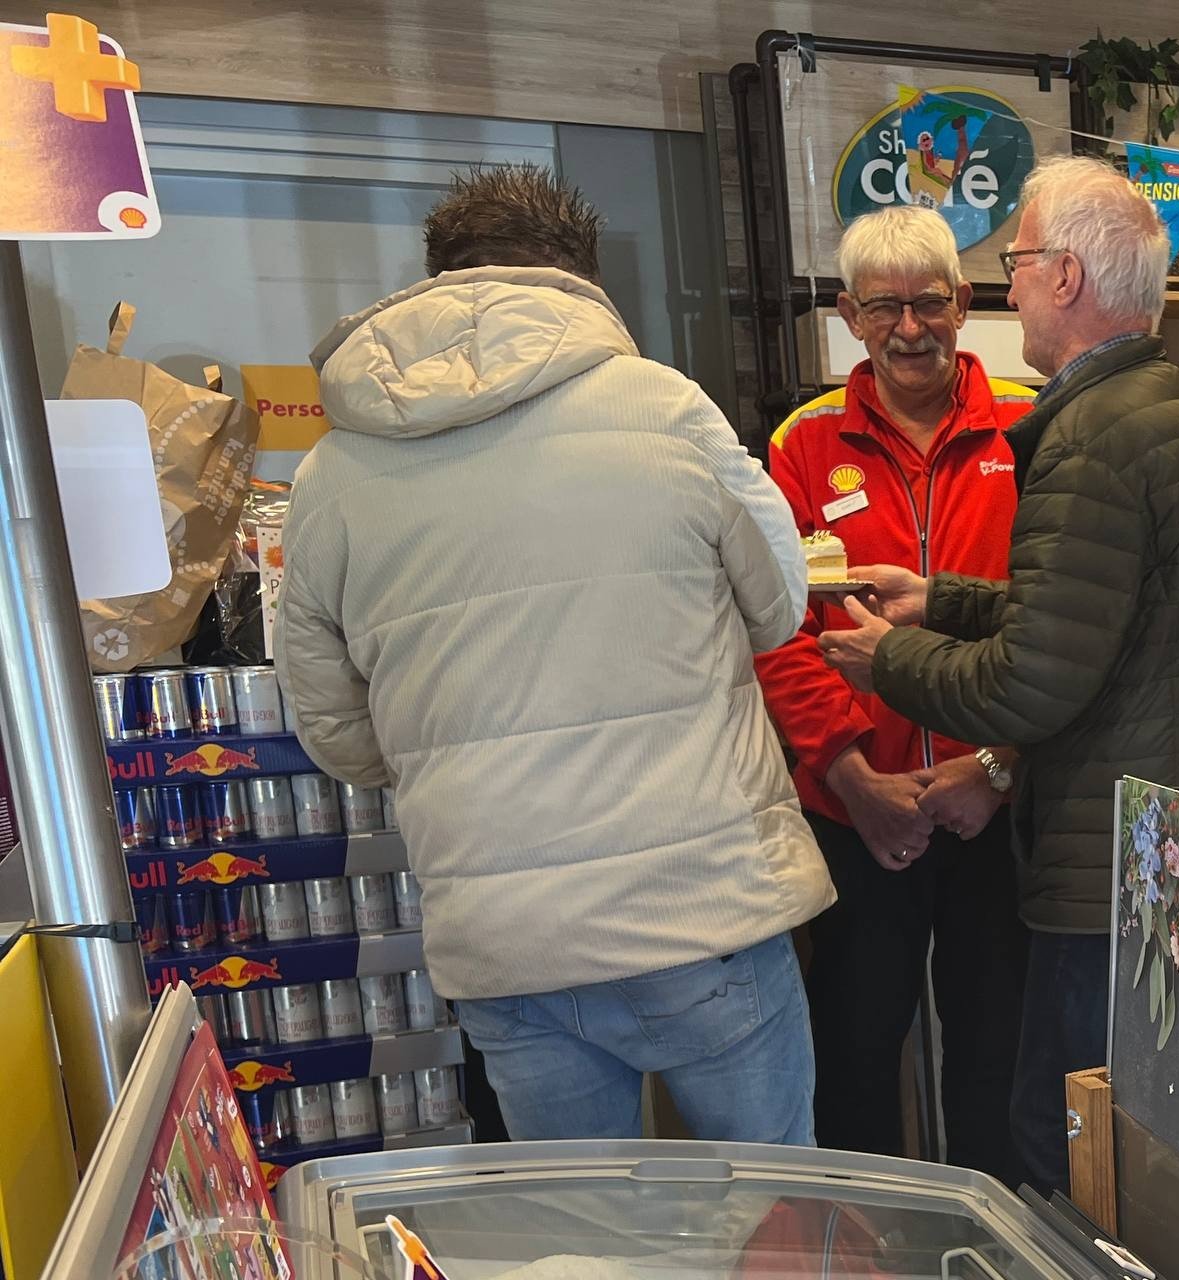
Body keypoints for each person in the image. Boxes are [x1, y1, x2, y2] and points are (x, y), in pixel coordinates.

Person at [275, 165, 831, 1144]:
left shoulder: (330, 473)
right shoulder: (665, 408)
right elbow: (781, 604)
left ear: (437, 280)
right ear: (579, 276)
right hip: (700, 908)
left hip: (503, 937)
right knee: (772, 1220)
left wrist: (445, 741)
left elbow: (334, 730)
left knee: (579, 1237)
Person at [815, 155, 1179, 1195]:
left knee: (1052, 1144)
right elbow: (1093, 615)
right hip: (1152, 845)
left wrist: (892, 658)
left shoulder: (1088, 433)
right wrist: (945, 598)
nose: (1003, 292)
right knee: (1113, 1136)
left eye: (1011, 263)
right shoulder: (1164, 403)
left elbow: (1032, 683)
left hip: (1097, 860)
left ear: (1063, 276)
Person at [753, 206, 1033, 1178]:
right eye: (883, 308)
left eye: (928, 304)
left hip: (998, 802)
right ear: (846, 315)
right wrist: (854, 775)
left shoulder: (1032, 425)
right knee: (856, 1048)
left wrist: (997, 765)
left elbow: (1060, 628)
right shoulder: (800, 443)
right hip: (851, 808)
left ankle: (1003, 1240)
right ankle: (866, 1245)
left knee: (999, 1051)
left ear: (965, 304)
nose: (909, 328)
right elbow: (775, 632)